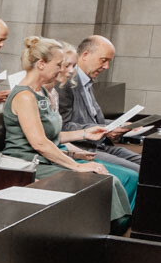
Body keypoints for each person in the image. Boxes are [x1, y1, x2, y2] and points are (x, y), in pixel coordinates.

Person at [1, 36, 135, 226]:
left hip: (46, 158)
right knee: (103, 182)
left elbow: (53, 136)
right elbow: (39, 142)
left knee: (108, 179)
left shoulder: (42, 92)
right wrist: (76, 166)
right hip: (28, 163)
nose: (62, 70)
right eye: (58, 64)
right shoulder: (24, 96)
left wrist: (85, 134)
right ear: (41, 64)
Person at [60, 35, 140, 166]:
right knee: (136, 172)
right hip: (81, 147)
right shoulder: (66, 83)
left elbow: (92, 120)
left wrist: (119, 126)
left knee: (149, 165)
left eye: (109, 62)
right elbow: (63, 126)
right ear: (85, 55)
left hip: (99, 145)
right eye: (103, 60)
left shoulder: (87, 81)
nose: (106, 66)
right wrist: (105, 129)